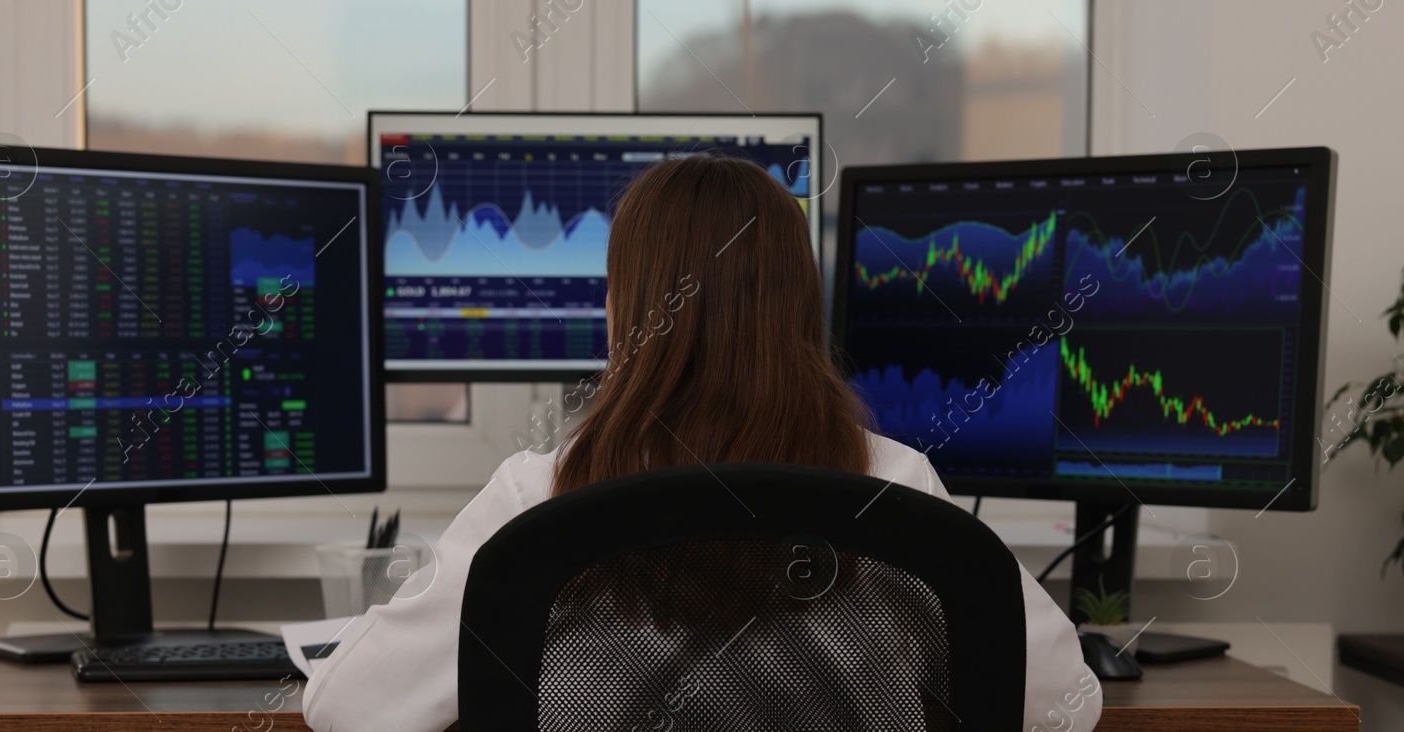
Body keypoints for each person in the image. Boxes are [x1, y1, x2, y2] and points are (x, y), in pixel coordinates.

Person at [303, 155, 1101, 732]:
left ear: (621, 313)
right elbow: (1069, 700)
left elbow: (349, 707)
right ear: (800, 314)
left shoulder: (536, 494)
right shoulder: (898, 487)